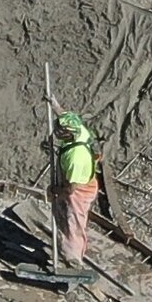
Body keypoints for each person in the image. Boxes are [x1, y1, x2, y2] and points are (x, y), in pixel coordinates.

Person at [50, 110, 101, 274]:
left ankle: (73, 260)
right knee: (60, 214)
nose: (56, 131)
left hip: (79, 191)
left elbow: (71, 189)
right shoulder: (80, 130)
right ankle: (61, 244)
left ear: (69, 133)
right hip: (70, 184)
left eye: (60, 130)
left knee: (73, 223)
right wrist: (54, 104)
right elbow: (65, 115)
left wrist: (56, 191)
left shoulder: (75, 158)